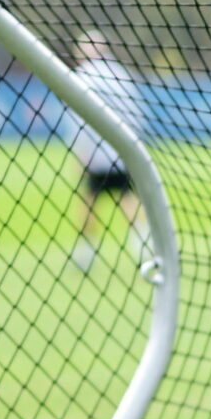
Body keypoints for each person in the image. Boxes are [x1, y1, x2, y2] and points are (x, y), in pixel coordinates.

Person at [64, 33, 152, 272]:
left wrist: (80, 152)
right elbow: (137, 112)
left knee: (89, 203)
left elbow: (77, 119)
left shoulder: (83, 77)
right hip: (122, 152)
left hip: (96, 155)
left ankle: (86, 254)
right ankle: (144, 247)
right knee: (127, 197)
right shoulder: (120, 74)